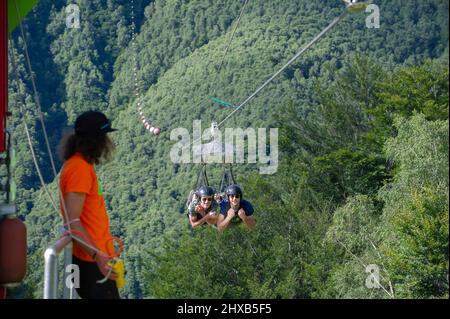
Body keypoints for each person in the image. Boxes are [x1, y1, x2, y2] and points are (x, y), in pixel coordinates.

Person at [58, 110, 120, 299]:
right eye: (104, 136)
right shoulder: (79, 169)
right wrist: (97, 256)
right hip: (91, 262)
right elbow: (73, 221)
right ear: (96, 140)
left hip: (94, 257)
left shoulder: (81, 166)